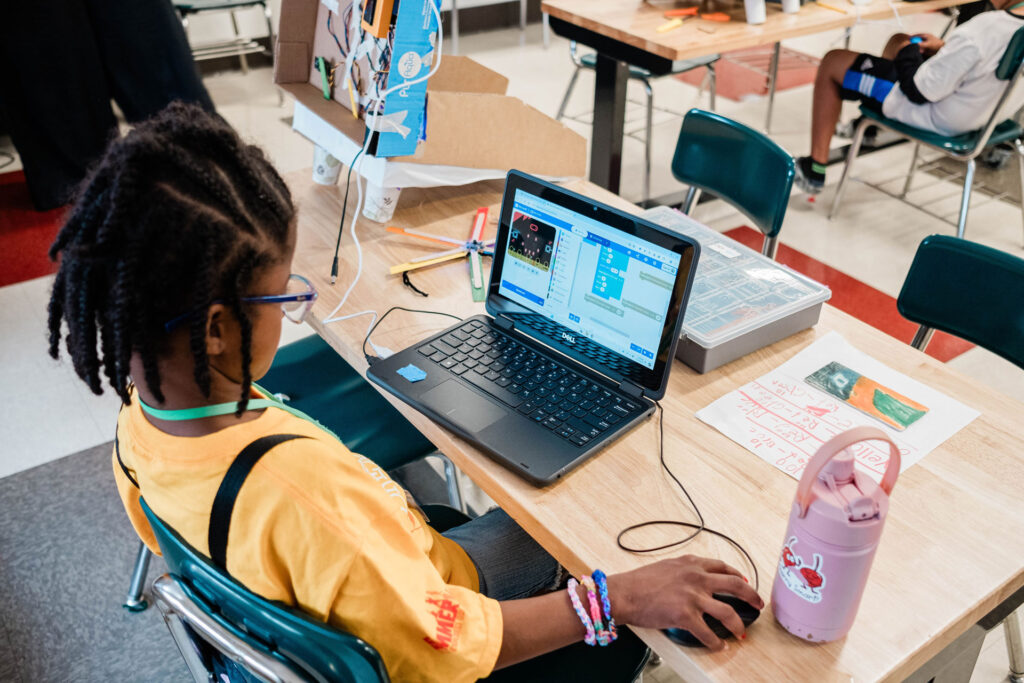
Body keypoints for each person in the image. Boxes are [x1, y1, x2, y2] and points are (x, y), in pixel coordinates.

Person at [46, 102, 763, 682]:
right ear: (213, 331)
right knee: (585, 533)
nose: (294, 304)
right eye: (281, 297)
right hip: (431, 614)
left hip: (364, 579)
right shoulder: (303, 492)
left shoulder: (139, 427)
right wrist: (622, 596)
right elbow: (445, 647)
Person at [794, 0, 1024, 194]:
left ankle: (814, 169)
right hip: (986, 114)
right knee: (898, 39)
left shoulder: (986, 27)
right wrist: (945, 48)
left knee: (834, 62)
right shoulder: (1006, 27)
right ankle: (867, 129)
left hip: (936, 115)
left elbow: (920, 91)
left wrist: (907, 52)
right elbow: (988, 59)